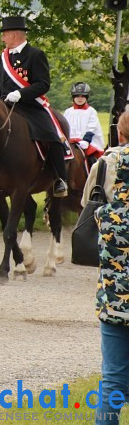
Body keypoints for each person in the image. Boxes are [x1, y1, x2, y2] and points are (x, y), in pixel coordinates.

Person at [0, 15, 70, 198]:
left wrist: (20, 94)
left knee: (51, 134)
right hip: (5, 105)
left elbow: (43, 84)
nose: (2, 38)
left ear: (14, 34)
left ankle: (60, 178)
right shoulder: (4, 57)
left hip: (30, 105)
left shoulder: (35, 55)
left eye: (4, 34)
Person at [94, 112, 129, 425]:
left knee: (113, 380)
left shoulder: (107, 162)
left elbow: (87, 207)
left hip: (115, 293)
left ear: (121, 134)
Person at [64, 81, 105, 167]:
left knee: (93, 159)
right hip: (70, 141)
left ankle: (96, 176)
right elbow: (64, 127)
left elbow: (92, 128)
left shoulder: (91, 111)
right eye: (77, 96)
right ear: (73, 97)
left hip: (87, 142)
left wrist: (86, 140)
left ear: (86, 97)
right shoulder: (68, 112)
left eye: (82, 96)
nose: (80, 98)